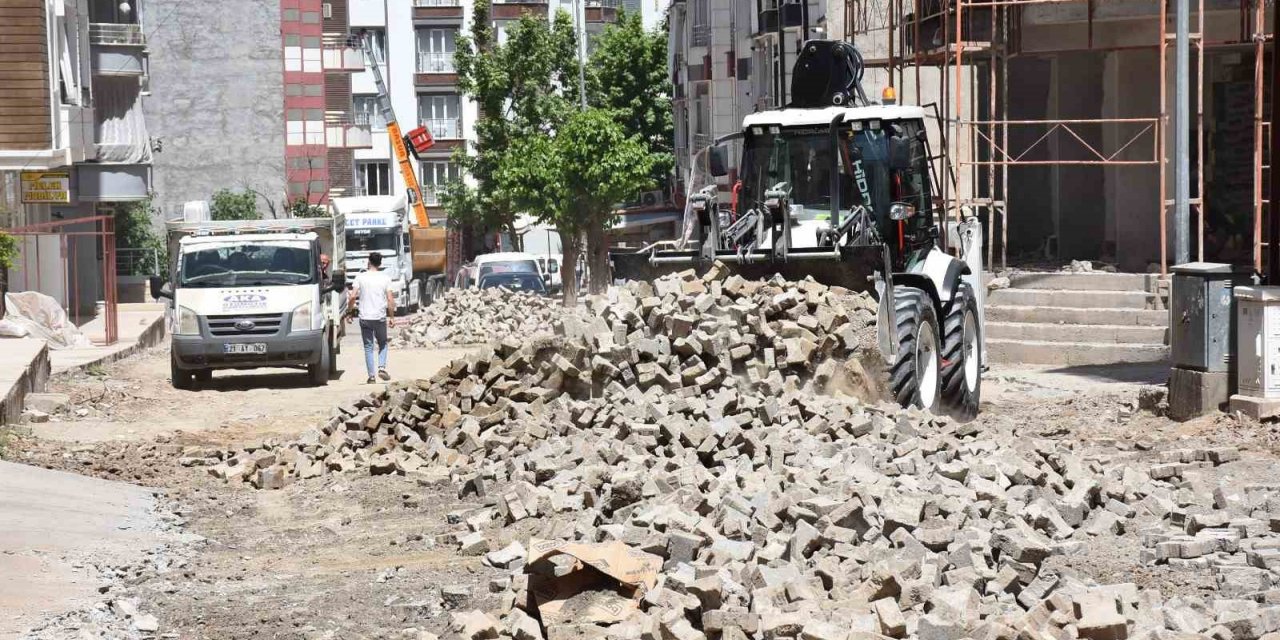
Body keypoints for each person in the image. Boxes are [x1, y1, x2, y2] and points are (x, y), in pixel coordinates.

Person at [349, 253, 396, 384]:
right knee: (382, 343)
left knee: (368, 347)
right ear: (380, 264)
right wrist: (391, 317)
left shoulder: (360, 277)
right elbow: (390, 299)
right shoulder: (385, 278)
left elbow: (352, 297)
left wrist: (349, 312)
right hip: (379, 316)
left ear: (368, 262)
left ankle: (371, 376)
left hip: (364, 317)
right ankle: (381, 367)